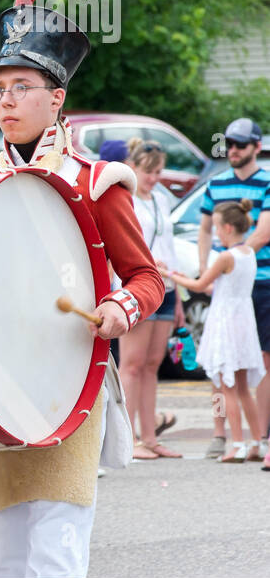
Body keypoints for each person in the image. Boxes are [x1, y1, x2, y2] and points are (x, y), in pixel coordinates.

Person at [0, 0, 163, 578]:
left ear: (57, 99)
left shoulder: (98, 181)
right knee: (7, 552)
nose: (6, 101)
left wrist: (116, 306)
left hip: (68, 383)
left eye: (21, 88)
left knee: (55, 552)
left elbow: (147, 279)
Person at [171, 201, 266, 465]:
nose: (215, 234)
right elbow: (223, 286)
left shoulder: (226, 256)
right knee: (243, 387)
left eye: (216, 228)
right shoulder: (249, 253)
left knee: (227, 387)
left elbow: (201, 284)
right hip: (242, 322)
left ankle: (236, 444)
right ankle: (257, 441)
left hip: (225, 323)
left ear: (226, 227)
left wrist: (171, 275)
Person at [198, 118, 270, 459]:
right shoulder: (216, 184)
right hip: (225, 280)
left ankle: (261, 434)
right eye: (230, 143)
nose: (234, 150)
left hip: (260, 281)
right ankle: (219, 431)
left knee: (261, 362)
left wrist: (233, 262)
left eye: (241, 144)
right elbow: (203, 230)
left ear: (256, 147)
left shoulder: (267, 182)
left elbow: (263, 232)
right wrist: (206, 269)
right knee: (218, 360)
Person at [119, 138, 185, 459]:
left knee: (152, 365)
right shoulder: (126, 199)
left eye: (158, 171)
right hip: (138, 285)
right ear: (133, 167)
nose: (154, 178)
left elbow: (169, 247)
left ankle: (149, 436)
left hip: (168, 288)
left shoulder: (161, 199)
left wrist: (181, 299)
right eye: (149, 172)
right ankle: (127, 439)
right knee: (131, 365)